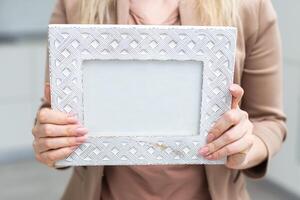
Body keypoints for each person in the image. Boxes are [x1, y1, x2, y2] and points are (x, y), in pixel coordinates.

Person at [32, 0, 287, 199]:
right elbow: (53, 111)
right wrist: (52, 138)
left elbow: (269, 121)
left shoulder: (250, 6)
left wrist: (245, 144)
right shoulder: (75, 5)